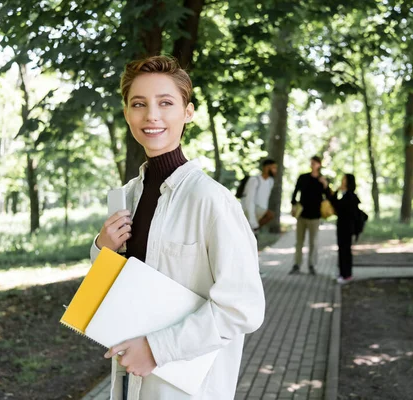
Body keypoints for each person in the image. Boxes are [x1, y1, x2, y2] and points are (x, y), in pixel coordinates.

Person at [90, 56, 265, 400]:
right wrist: (102, 248)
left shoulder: (213, 201)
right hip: (129, 381)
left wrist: (157, 349)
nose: (151, 115)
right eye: (138, 104)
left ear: (188, 112)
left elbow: (242, 307)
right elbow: (117, 290)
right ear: (127, 113)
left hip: (187, 389)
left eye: (165, 103)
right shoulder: (125, 197)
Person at [289, 156, 328, 276]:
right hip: (302, 215)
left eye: (315, 162)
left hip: (315, 216)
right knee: (299, 241)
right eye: (311, 162)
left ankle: (312, 265)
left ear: (319, 164)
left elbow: (328, 197)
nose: (312, 164)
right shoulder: (303, 178)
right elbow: (295, 193)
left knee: (313, 242)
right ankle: (297, 265)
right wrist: (294, 205)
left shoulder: (323, 180)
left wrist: (325, 185)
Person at [323, 173, 361, 284]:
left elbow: (337, 206)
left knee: (345, 251)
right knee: (342, 250)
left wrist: (335, 193)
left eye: (344, 179)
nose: (342, 181)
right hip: (343, 227)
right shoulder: (345, 195)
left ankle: (346, 275)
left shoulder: (350, 196)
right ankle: (343, 273)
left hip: (346, 228)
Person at [241, 158, 277, 235]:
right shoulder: (254, 180)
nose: (275, 170)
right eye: (273, 168)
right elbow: (249, 200)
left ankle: (253, 230)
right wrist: (252, 220)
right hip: (251, 210)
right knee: (270, 215)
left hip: (261, 211)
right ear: (266, 167)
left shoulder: (271, 181)